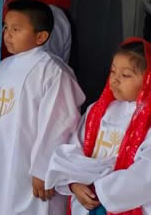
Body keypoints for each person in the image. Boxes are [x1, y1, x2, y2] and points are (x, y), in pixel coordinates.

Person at [0, 0, 85, 215]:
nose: (7, 35)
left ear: (40, 36)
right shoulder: (4, 66)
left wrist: (43, 169)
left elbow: (59, 123)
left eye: (16, 29)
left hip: (32, 170)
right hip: (1, 160)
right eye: (6, 27)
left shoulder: (53, 70)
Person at [46, 39, 151, 214]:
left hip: (120, 202)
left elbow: (146, 174)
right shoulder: (97, 110)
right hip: (85, 200)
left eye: (126, 75)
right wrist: (73, 183)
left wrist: (101, 191)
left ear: (148, 79)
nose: (115, 80)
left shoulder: (147, 120)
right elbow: (73, 148)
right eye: (113, 71)